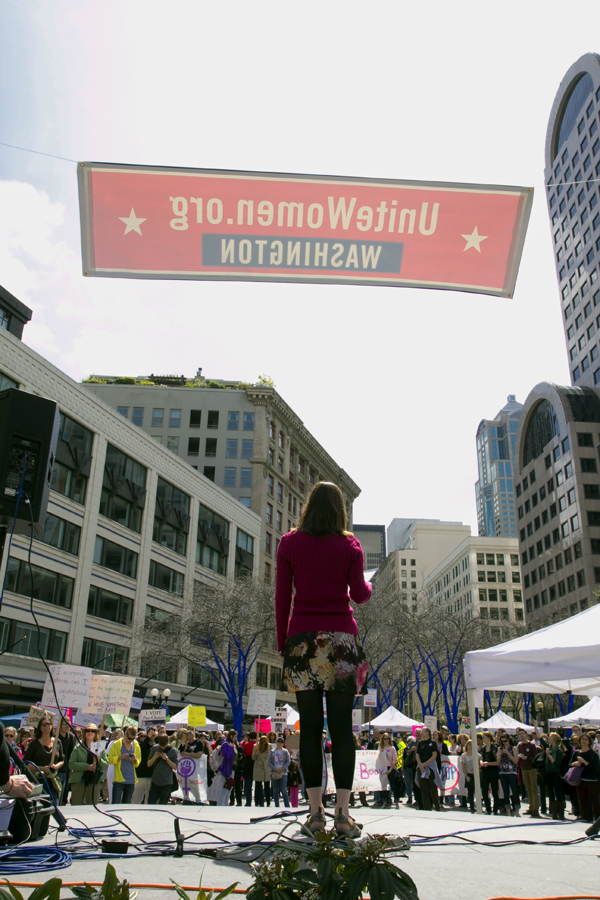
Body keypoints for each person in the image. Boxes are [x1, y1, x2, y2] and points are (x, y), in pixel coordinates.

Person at [275, 481, 371, 838]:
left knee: (311, 730)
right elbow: (360, 596)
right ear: (339, 510)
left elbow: (282, 596)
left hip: (302, 641)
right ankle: (343, 815)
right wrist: (369, 586)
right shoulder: (350, 545)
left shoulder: (289, 543)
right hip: (343, 641)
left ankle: (315, 814)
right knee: (342, 730)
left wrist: (282, 642)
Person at [24, 716, 64, 799]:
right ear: (40, 727)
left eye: (49, 724)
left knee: (53, 805)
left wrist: (56, 766)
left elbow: (62, 760)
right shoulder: (34, 744)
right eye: (44, 724)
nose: (46, 726)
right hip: (38, 780)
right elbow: (26, 764)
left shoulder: (57, 742)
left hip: (52, 781)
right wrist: (42, 768)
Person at [69, 723, 109, 805]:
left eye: (93, 731)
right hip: (79, 780)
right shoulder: (78, 747)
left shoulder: (100, 748)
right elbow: (71, 764)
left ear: (96, 734)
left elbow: (105, 765)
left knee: (92, 807)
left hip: (94, 781)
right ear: (84, 733)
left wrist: (99, 760)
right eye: (87, 731)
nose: (90, 732)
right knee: (76, 806)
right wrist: (87, 767)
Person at [572, 732, 600, 822]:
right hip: (580, 780)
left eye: (586, 739)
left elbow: (596, 768)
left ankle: (597, 820)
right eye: (582, 739)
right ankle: (585, 818)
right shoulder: (577, 753)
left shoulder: (593, 754)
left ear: (589, 742)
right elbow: (570, 764)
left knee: (595, 802)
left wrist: (585, 762)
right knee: (582, 801)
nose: (584, 741)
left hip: (592, 781)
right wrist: (576, 763)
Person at [108, 726, 141, 804]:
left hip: (131, 780)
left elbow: (138, 762)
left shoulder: (136, 745)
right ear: (125, 734)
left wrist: (135, 760)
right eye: (129, 738)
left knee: (126, 805)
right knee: (115, 803)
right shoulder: (117, 744)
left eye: (133, 739)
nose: (131, 741)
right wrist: (120, 757)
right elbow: (110, 759)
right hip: (119, 780)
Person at [0, 721, 32, 800]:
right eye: (6, 735)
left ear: (14, 737)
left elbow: (21, 762)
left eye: (11, 736)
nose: (8, 737)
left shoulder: (17, 749)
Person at [539, 732, 565, 820]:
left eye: (550, 737)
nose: (548, 739)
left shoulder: (558, 751)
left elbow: (556, 763)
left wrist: (549, 755)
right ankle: (554, 813)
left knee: (558, 792)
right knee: (550, 792)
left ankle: (561, 814)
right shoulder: (548, 747)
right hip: (548, 773)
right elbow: (540, 739)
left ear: (555, 740)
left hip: (556, 773)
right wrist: (535, 726)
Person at [516, 727, 541, 817]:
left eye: (523, 733)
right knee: (528, 789)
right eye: (519, 734)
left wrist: (527, 758)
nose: (521, 735)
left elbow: (536, 757)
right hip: (524, 768)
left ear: (526, 734)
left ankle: (536, 809)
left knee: (534, 788)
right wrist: (519, 757)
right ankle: (531, 807)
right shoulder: (519, 745)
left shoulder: (532, 745)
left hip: (531, 768)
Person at [416, 727, 442, 811]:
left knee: (432, 788)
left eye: (422, 731)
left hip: (430, 767)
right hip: (421, 768)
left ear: (427, 733)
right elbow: (417, 754)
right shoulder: (420, 743)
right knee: (423, 789)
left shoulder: (433, 743)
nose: (421, 733)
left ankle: (437, 807)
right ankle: (426, 808)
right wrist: (420, 764)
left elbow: (434, 755)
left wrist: (425, 764)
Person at [148, 735, 179, 804]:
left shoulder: (173, 751)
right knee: (151, 802)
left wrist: (166, 759)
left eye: (164, 746)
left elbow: (175, 767)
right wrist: (155, 757)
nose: (162, 748)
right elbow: (148, 764)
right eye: (161, 746)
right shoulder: (154, 748)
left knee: (163, 804)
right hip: (155, 781)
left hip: (167, 782)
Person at [132, 726, 158, 803]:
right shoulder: (142, 745)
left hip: (151, 776)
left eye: (154, 733)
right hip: (140, 776)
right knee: (136, 799)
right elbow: (141, 747)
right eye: (150, 733)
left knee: (148, 799)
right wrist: (148, 738)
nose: (152, 735)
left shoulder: (156, 746)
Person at [497, 734, 520, 816]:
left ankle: (517, 810)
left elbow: (516, 761)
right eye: (502, 742)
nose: (504, 743)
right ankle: (508, 812)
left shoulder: (513, 748)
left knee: (514, 791)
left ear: (509, 740)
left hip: (512, 771)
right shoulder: (500, 748)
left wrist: (507, 753)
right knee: (505, 792)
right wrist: (500, 754)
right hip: (503, 772)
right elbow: (498, 762)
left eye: (505, 741)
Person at [57, 718, 77, 804]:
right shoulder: (55, 736)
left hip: (66, 767)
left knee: (65, 790)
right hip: (57, 766)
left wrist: (71, 770)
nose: (67, 726)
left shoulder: (71, 737)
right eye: (65, 724)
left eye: (68, 724)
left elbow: (72, 754)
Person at [480, 731, 501, 815]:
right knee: (484, 790)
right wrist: (482, 762)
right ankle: (488, 808)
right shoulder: (483, 748)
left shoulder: (495, 748)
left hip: (493, 771)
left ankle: (495, 809)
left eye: (484, 737)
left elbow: (497, 761)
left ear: (489, 738)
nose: (483, 739)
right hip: (485, 771)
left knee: (494, 790)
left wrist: (488, 763)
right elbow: (481, 757)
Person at [375, 733, 397, 809]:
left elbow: (394, 760)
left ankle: (396, 801)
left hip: (391, 768)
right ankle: (384, 802)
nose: (386, 740)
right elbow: (377, 759)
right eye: (385, 739)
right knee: (383, 786)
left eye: (387, 739)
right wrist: (380, 752)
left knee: (393, 785)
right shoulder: (380, 748)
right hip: (383, 768)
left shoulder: (392, 748)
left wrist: (390, 769)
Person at [252, 735, 272, 807]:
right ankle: (257, 801)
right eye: (262, 742)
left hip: (266, 767)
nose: (264, 744)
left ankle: (268, 801)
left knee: (267, 785)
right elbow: (253, 758)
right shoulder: (256, 746)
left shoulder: (270, 747)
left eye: (265, 742)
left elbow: (271, 756)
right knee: (258, 785)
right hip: (258, 767)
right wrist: (256, 753)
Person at [460, 739, 477, 813]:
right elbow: (463, 766)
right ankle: (472, 807)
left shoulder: (476, 754)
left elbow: (480, 760)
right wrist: (466, 775)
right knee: (470, 791)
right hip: (468, 774)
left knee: (477, 790)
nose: (471, 746)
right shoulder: (464, 755)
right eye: (470, 745)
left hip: (476, 774)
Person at [242, 731, 257, 806]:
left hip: (248, 764)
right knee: (258, 783)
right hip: (256, 763)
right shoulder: (257, 745)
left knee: (248, 784)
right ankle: (257, 801)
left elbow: (244, 752)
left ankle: (248, 801)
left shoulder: (246, 744)